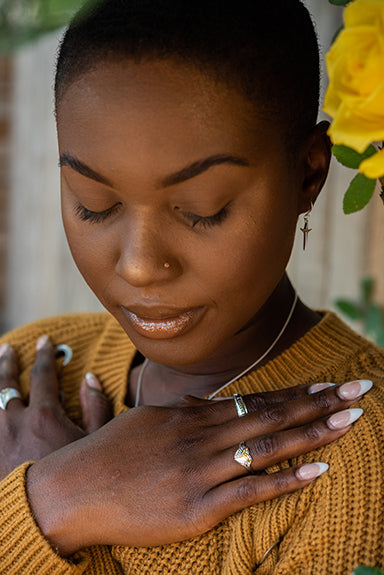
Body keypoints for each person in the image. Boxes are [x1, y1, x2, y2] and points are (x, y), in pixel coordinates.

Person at [0, 0, 383, 573]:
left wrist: (53, 508)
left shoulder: (355, 458)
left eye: (203, 210)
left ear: (308, 174)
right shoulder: (38, 376)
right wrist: (50, 498)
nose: (139, 266)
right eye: (93, 204)